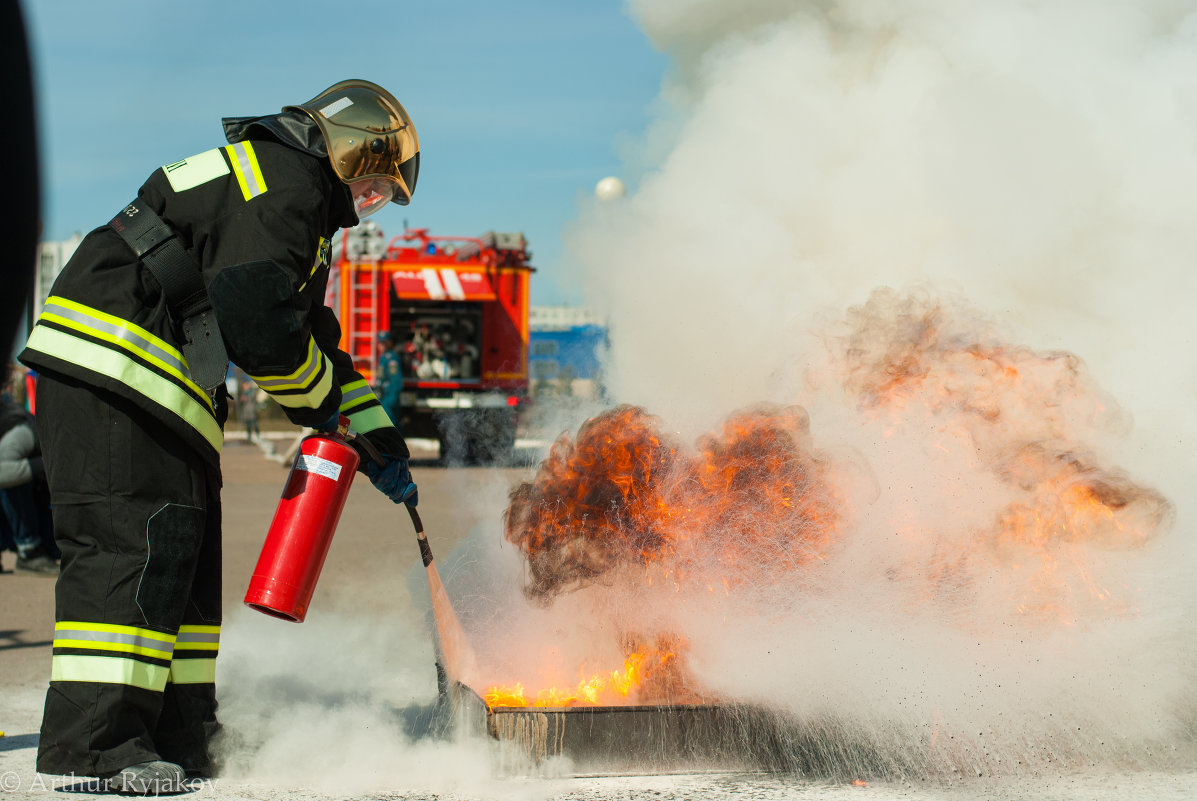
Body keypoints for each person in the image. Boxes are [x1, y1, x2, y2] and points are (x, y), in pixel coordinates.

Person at [18, 79, 421, 794]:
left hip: (157, 385)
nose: (370, 209)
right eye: (379, 190)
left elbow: (310, 339)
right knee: (131, 549)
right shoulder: (287, 186)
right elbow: (264, 336)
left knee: (179, 554)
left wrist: (375, 432)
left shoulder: (281, 192)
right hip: (117, 367)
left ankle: (181, 731)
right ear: (355, 151)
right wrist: (329, 409)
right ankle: (103, 746)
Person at [0, 399, 58, 574]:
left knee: (55, 549)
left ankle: (37, 548)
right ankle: (29, 548)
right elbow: (2, 472)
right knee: (14, 478)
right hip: (10, 489)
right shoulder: (25, 431)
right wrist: (42, 465)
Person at [376, 331, 404, 425]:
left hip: (389, 397)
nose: (381, 346)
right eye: (380, 343)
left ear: (388, 344)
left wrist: (392, 398)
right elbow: (380, 377)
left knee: (390, 424)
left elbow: (395, 379)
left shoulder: (391, 358)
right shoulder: (382, 358)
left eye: (384, 343)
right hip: (383, 396)